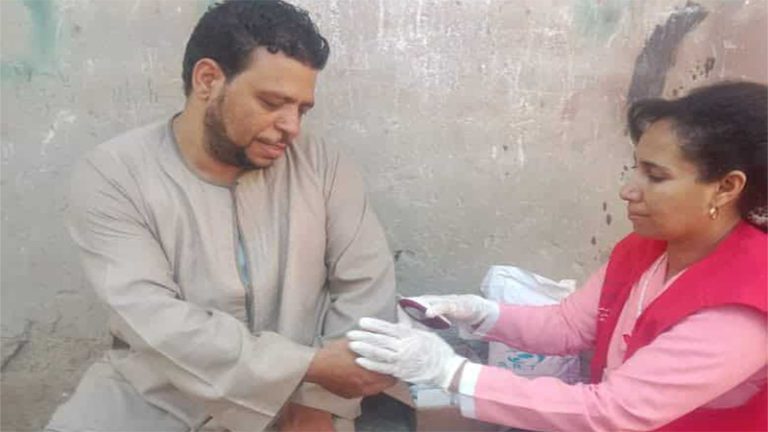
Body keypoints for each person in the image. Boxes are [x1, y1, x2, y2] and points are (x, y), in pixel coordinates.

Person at [46, 1, 397, 431]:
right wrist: (310, 366)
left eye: (302, 109)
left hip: (298, 402)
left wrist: (318, 403)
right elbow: (156, 321)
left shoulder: (322, 166)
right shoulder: (115, 175)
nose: (292, 126)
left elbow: (366, 288)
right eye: (272, 102)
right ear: (208, 80)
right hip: (159, 399)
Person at [348, 81, 767, 431]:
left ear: (726, 187)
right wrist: (476, 313)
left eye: (655, 176)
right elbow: (567, 326)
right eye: (635, 168)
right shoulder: (649, 248)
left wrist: (450, 372)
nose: (628, 189)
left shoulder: (746, 301)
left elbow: (613, 410)